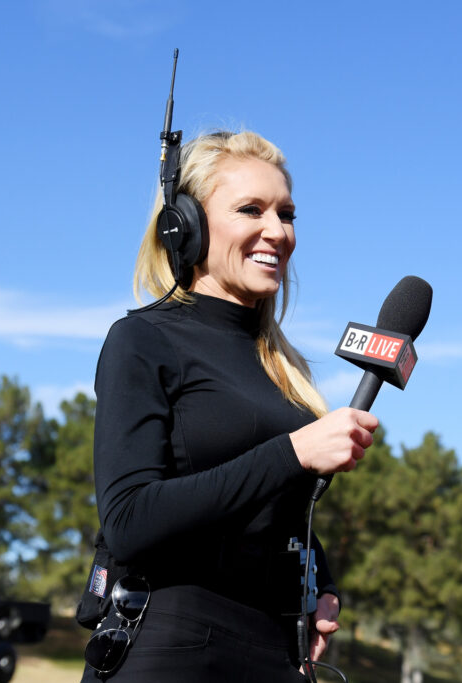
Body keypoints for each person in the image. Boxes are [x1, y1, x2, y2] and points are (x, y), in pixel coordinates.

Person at [80, 130, 378, 682]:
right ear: (185, 224)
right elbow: (127, 521)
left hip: (273, 650)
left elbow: (264, 504)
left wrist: (322, 581)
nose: (277, 231)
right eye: (251, 210)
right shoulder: (141, 340)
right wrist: (294, 451)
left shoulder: (281, 367)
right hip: (173, 647)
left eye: (286, 213)